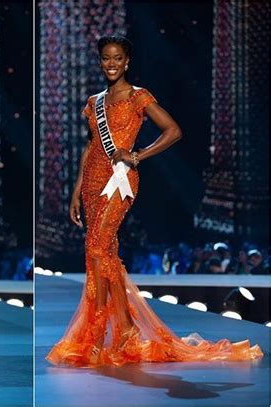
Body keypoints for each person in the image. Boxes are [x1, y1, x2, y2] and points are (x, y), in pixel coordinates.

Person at [46, 35, 263, 367]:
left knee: (97, 249)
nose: (112, 64)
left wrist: (137, 155)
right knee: (103, 253)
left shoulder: (139, 97)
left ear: (127, 61)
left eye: (117, 58)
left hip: (120, 180)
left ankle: (97, 333)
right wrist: (75, 192)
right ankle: (126, 333)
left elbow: (173, 131)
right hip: (92, 181)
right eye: (106, 58)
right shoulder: (94, 102)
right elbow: (91, 148)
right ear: (101, 61)